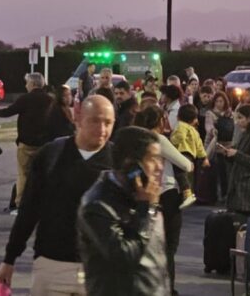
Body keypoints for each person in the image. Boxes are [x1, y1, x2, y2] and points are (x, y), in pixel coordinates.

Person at [0, 95, 115, 295]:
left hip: (100, 269)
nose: (102, 129)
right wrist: (9, 259)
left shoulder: (119, 163)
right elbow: (29, 210)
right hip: (52, 264)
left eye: (108, 123)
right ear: (78, 117)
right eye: (95, 120)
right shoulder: (51, 155)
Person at [77, 126, 168, 296]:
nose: (160, 167)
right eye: (153, 159)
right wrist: (144, 211)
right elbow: (124, 256)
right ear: (132, 165)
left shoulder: (145, 197)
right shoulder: (98, 205)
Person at [133, 106, 192, 295]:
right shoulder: (159, 139)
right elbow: (186, 165)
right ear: (159, 121)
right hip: (167, 194)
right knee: (169, 248)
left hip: (142, 195)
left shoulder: (135, 139)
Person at [0, 73, 53, 210]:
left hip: (26, 143)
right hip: (44, 144)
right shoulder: (49, 100)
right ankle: (43, 202)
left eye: (27, 83)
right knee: (43, 174)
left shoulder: (25, 99)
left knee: (23, 174)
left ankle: (21, 203)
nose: (26, 85)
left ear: (32, 84)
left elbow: (9, 111)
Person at [218, 105, 250, 216]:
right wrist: (228, 154)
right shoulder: (244, 134)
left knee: (244, 223)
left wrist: (237, 154)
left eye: (240, 118)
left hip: (247, 187)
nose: (237, 121)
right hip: (237, 184)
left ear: (249, 119)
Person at [170, 104, 208, 208]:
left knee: (179, 174)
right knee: (188, 177)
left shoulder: (181, 125)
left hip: (182, 153)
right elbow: (200, 146)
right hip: (192, 156)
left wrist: (171, 141)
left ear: (178, 117)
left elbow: (179, 137)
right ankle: (188, 193)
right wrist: (204, 158)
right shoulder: (194, 131)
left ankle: (187, 193)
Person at [205, 92, 235, 201]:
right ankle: (221, 194)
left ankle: (228, 194)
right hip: (216, 145)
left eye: (221, 101)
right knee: (220, 171)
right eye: (217, 101)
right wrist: (213, 130)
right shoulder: (210, 113)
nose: (219, 103)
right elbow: (208, 126)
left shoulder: (231, 113)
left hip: (229, 145)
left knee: (229, 172)